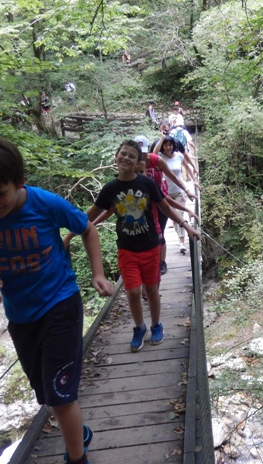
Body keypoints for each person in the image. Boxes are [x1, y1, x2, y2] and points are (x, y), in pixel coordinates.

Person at [0, 137, 114, 464]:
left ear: (19, 182)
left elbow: (86, 228)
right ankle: (79, 433)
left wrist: (98, 274)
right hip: (21, 315)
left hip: (60, 303)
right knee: (47, 394)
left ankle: (78, 463)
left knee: (60, 396)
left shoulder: (45, 203)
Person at [69, 140, 199, 353]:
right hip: (126, 248)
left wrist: (187, 225)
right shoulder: (110, 189)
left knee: (151, 289)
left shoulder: (147, 183)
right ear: (116, 156)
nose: (126, 158)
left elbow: (165, 207)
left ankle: (156, 324)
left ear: (138, 162)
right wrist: (68, 237)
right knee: (132, 291)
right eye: (123, 154)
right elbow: (88, 217)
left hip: (151, 246)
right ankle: (139, 327)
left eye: (132, 156)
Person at [134, 135, 197, 275]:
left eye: (143, 152)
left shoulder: (156, 160)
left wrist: (187, 191)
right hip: (142, 206)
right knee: (148, 234)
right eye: (138, 152)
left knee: (160, 232)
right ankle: (150, 262)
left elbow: (173, 177)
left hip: (161, 199)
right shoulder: (133, 164)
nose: (142, 156)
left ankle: (161, 262)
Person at [153, 133, 197, 255]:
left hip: (179, 191)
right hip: (165, 193)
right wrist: (162, 138)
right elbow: (153, 153)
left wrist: (194, 180)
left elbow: (186, 167)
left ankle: (181, 242)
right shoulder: (160, 157)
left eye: (170, 145)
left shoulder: (179, 156)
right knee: (173, 217)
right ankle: (179, 237)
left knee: (179, 215)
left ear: (173, 145)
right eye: (166, 145)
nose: (168, 147)